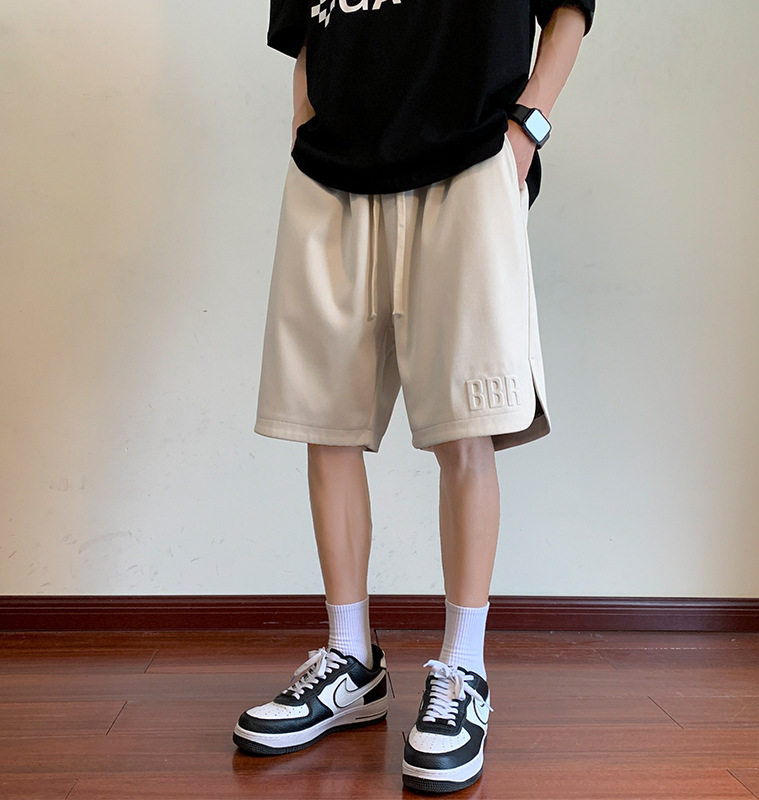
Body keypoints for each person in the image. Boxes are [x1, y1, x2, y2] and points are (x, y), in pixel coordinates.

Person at [234, 1, 594, 793]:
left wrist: (527, 130)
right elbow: (303, 27)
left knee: (465, 429)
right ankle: (349, 660)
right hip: (332, 166)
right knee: (325, 422)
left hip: (471, 154)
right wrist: (303, 123)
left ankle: (464, 669)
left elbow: (570, 8)